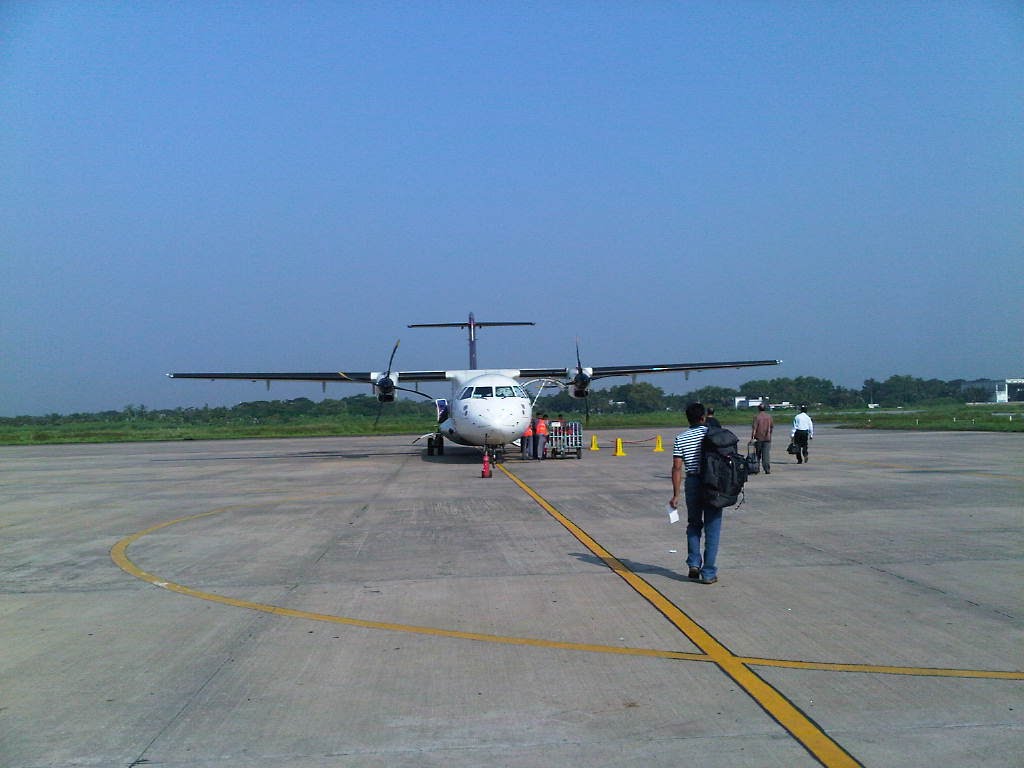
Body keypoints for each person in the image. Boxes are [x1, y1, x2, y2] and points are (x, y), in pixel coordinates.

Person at [669, 402, 722, 585]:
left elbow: (677, 468)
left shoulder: (681, 438)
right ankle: (708, 572)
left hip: (692, 481)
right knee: (712, 527)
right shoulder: (712, 434)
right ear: (703, 418)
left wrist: (676, 494)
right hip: (712, 483)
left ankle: (693, 563)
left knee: (694, 524)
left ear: (688, 419)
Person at [750, 403, 774, 474]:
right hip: (767, 438)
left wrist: (752, 438)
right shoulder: (769, 417)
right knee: (766, 455)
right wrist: (769, 434)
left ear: (758, 408)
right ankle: (767, 469)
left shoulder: (757, 417)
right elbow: (771, 427)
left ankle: (757, 468)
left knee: (758, 454)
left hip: (758, 438)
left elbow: (754, 429)